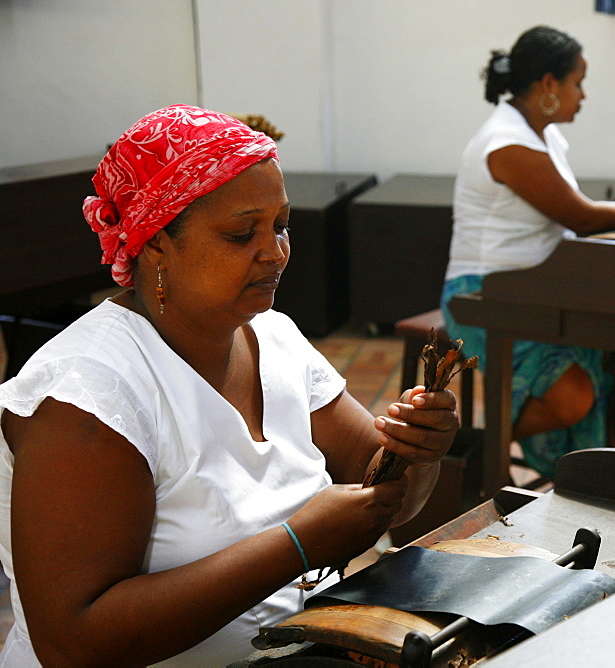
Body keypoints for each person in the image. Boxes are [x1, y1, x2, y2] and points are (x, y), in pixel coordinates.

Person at [0, 105, 458, 666]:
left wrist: (419, 453)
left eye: (282, 225)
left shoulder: (273, 335)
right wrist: (297, 545)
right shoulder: (89, 396)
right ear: (158, 242)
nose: (276, 251)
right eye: (243, 233)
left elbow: (384, 498)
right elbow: (73, 643)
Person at [441, 26, 615, 478]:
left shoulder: (542, 135)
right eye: (577, 82)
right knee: (573, 397)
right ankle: (473, 445)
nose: (583, 95)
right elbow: (582, 217)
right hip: (487, 297)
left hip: (539, 288)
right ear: (548, 85)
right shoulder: (509, 144)